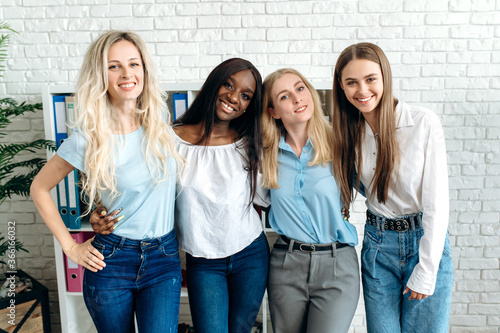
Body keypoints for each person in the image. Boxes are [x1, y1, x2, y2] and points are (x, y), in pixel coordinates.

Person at [90, 58, 269, 333]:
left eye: (245, 96)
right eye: (228, 84)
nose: (234, 98)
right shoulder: (170, 140)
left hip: (250, 253)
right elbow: (130, 178)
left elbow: (267, 196)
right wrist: (98, 207)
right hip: (203, 260)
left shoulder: (250, 142)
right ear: (213, 84)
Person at [30, 30, 184, 333]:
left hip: (163, 258)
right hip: (112, 259)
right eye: (114, 66)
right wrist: (70, 248)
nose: (127, 73)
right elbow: (39, 187)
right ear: (100, 75)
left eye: (133, 64)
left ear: (144, 69)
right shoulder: (88, 137)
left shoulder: (163, 125)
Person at [331, 42, 453, 333]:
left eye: (371, 79)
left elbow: (438, 204)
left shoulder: (422, 123)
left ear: (385, 76)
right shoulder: (348, 133)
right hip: (377, 246)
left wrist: (426, 270)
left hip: (423, 242)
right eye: (352, 82)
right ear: (341, 87)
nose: (362, 90)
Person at [261, 68, 360, 333]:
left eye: (300, 88)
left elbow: (377, 190)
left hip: (337, 264)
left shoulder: (341, 143)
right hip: (286, 265)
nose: (296, 98)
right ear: (273, 111)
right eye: (284, 96)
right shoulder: (264, 154)